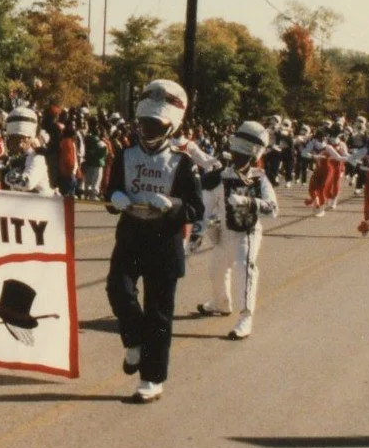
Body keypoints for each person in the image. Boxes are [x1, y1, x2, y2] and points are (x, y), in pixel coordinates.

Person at [104, 79, 202, 403]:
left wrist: (173, 206)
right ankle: (133, 342)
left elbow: (195, 209)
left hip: (164, 242)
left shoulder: (182, 162)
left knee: (159, 314)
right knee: (118, 288)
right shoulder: (125, 154)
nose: (146, 130)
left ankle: (151, 379)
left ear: (170, 127)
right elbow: (110, 192)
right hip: (131, 235)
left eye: (154, 125)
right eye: (143, 123)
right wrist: (115, 196)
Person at [194, 121, 278, 339]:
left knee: (244, 268)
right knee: (216, 268)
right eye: (236, 153)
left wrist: (249, 202)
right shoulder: (219, 177)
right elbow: (205, 206)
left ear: (253, 157)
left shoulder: (259, 178)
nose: (238, 158)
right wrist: (199, 231)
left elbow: (273, 209)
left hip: (247, 233)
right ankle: (221, 301)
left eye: (244, 155)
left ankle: (246, 317)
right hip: (225, 233)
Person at [0, 106, 52, 195]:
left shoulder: (37, 157)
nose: (18, 144)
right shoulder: (14, 159)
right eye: (13, 139)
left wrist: (5, 175)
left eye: (22, 139)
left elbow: (27, 183)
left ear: (30, 138)